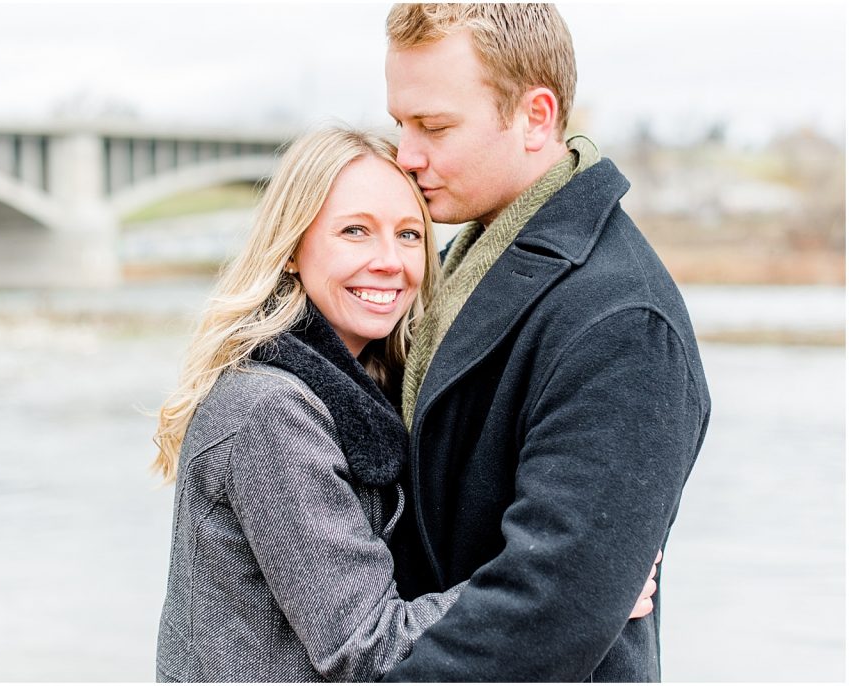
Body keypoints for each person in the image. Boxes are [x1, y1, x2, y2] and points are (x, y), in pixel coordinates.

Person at [152, 126, 658, 682]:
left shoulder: (373, 387)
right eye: (355, 231)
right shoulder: (268, 411)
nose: (390, 262)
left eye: (410, 235)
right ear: (292, 249)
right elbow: (368, 646)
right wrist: (574, 594)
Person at [381, 4, 712, 682]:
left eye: (434, 127)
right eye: (400, 125)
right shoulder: (463, 264)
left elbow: (549, 613)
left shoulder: (622, 320)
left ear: (536, 116)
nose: (406, 155)